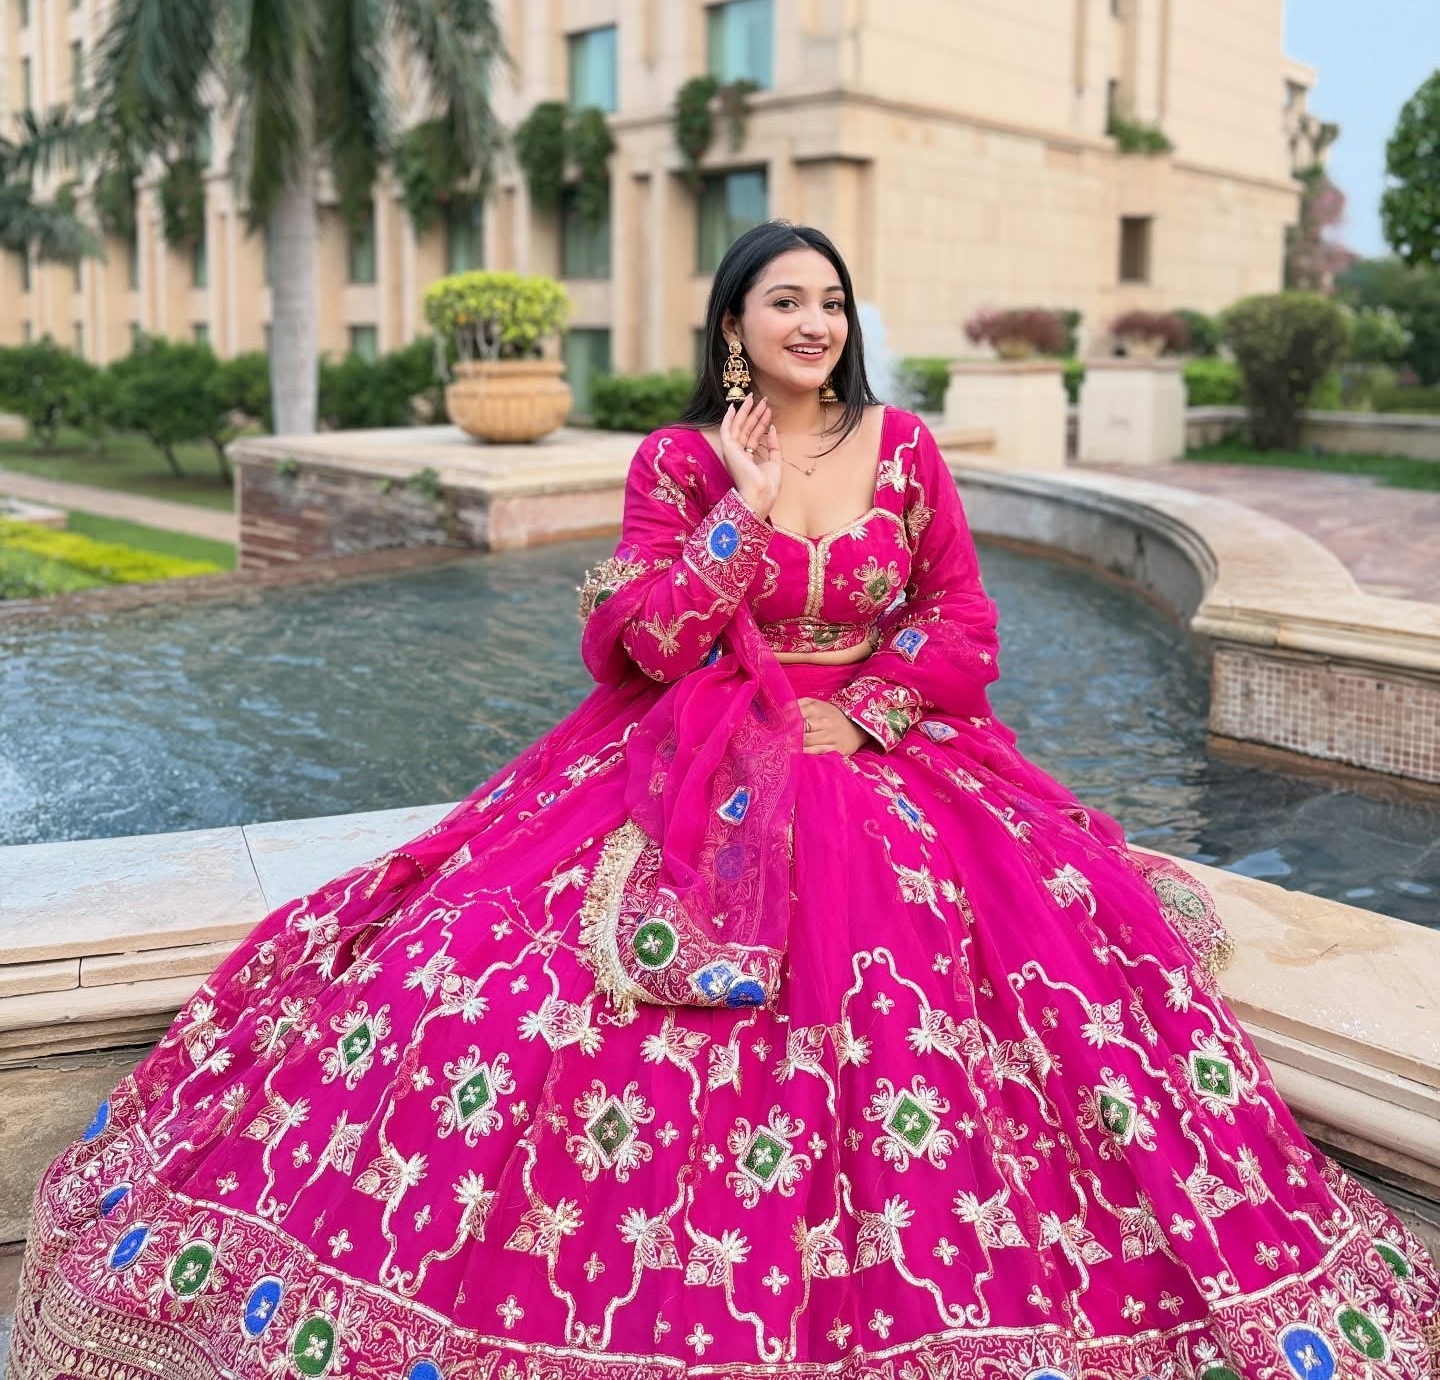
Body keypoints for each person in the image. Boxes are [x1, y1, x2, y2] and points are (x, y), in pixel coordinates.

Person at [7, 221, 1436, 1380]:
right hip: (703, 758)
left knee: (1018, 974)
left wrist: (864, 711)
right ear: (734, 326)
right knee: (484, 969)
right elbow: (645, 641)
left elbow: (964, 625)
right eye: (782, 302)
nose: (812, 323)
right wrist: (740, 509)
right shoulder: (682, 460)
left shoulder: (910, 453)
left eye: (829, 301)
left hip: (885, 757)